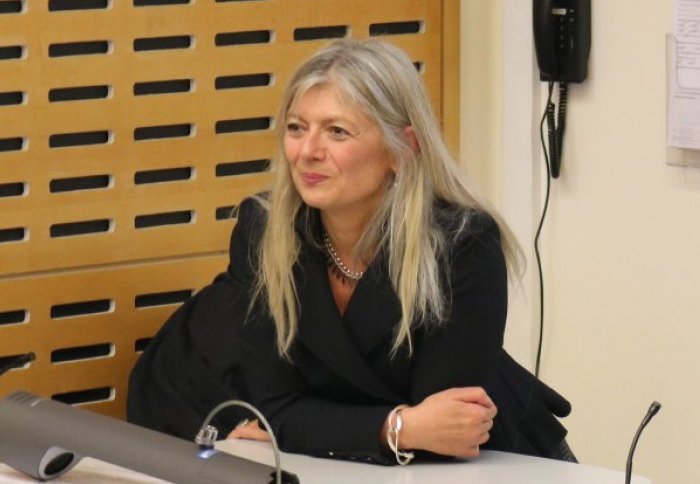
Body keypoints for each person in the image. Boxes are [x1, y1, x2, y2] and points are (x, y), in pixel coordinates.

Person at [127, 38, 575, 465]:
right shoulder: (262, 231)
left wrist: (308, 427)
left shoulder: (463, 242)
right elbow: (274, 408)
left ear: (403, 149)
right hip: (353, 465)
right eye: (297, 128)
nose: (307, 152)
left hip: (499, 461)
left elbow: (445, 435)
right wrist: (398, 426)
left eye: (337, 132)